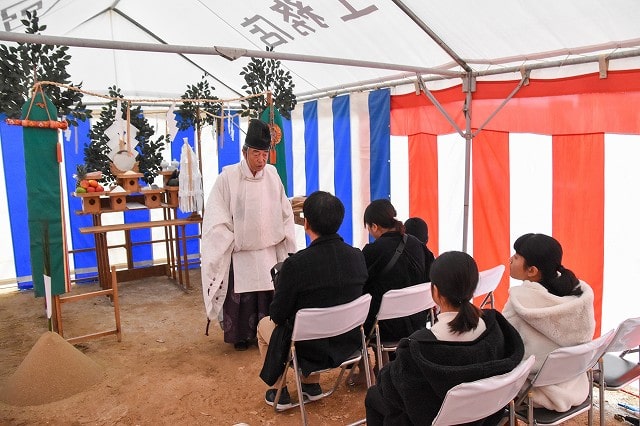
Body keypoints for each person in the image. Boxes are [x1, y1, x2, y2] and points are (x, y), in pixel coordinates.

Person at [365, 251, 525, 425]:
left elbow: (390, 389)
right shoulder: (496, 327)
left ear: (435, 291)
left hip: (436, 419)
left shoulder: (418, 347)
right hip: (485, 416)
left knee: (373, 396)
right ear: (473, 288)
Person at [256, 191, 368, 409]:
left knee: (265, 325)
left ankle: (279, 393)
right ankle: (311, 386)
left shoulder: (295, 265)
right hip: (347, 343)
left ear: (306, 223)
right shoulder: (357, 256)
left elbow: (278, 315)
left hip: (308, 349)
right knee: (321, 315)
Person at [201, 118, 296, 351]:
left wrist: (287, 239)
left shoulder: (273, 176)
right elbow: (215, 214)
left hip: (267, 251)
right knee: (241, 298)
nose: (261, 160)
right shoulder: (228, 178)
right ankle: (241, 336)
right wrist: (229, 239)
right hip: (240, 252)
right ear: (244, 152)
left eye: (264, 155)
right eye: (256, 154)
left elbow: (285, 211)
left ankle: (267, 333)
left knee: (267, 293)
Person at [503, 233, 595, 411]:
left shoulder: (519, 301)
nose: (510, 260)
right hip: (573, 381)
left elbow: (506, 346)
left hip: (532, 390)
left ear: (532, 270)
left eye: (515, 257)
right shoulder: (579, 297)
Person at [347, 200, 431, 386]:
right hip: (417, 321)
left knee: (353, 313)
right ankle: (384, 367)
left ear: (375, 226)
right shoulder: (418, 244)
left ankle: (365, 371)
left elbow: (358, 285)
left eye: (368, 227)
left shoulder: (372, 251)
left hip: (385, 327)